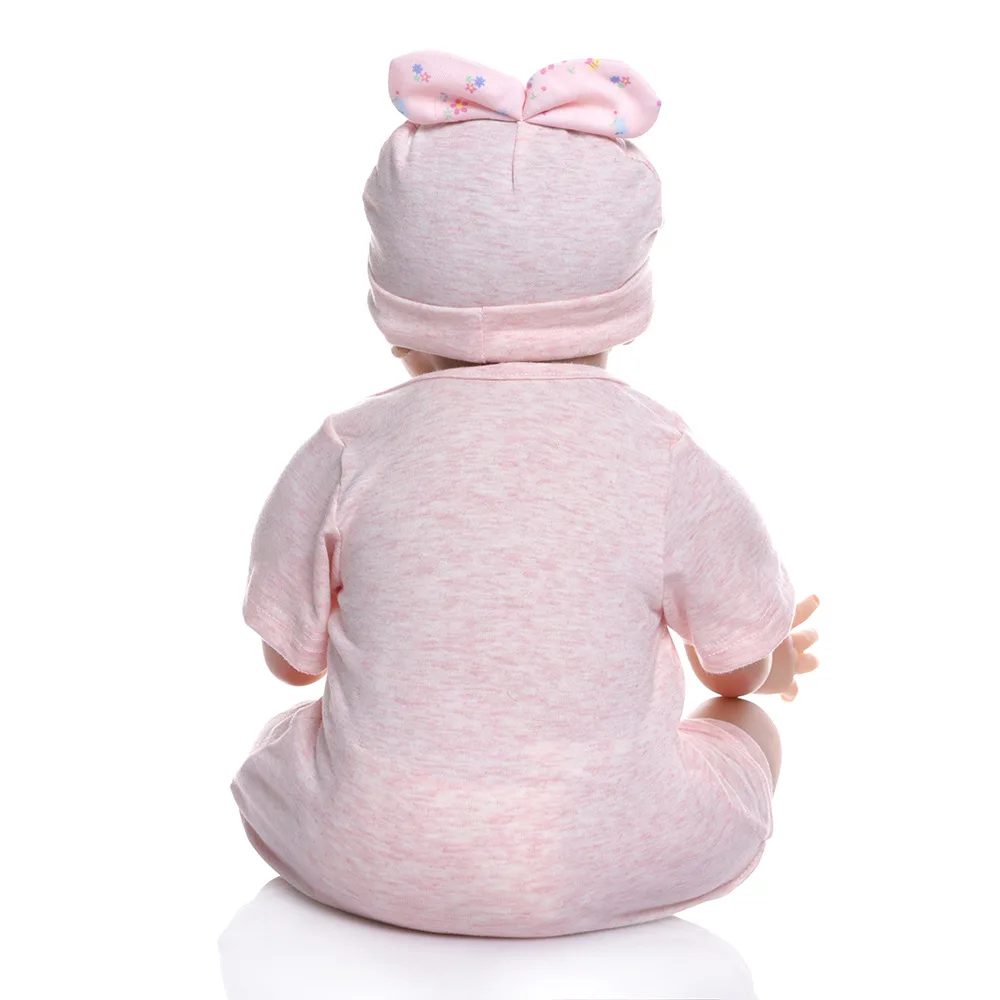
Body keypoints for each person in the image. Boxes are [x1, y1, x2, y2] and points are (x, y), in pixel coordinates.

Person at [231, 50, 821, 939]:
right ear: (623, 306)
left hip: (364, 858)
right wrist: (764, 664)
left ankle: (383, 840)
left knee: (285, 737)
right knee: (743, 726)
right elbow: (732, 671)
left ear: (397, 319)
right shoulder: (664, 456)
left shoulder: (347, 449)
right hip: (616, 854)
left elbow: (291, 665)